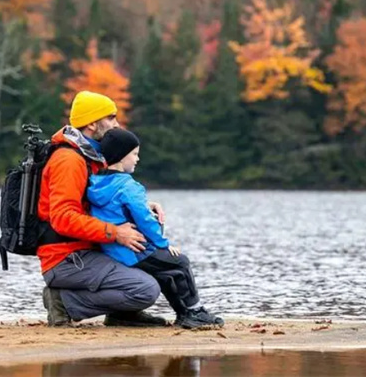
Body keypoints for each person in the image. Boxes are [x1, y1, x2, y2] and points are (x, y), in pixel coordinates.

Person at [38, 91, 167, 327]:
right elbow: (62, 218)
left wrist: (141, 206)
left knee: (152, 262)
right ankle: (62, 301)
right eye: (111, 118)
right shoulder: (69, 160)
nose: (116, 124)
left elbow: (101, 201)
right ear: (92, 124)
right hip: (66, 258)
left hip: (90, 250)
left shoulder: (91, 156)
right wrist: (116, 232)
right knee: (146, 289)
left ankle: (122, 313)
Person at [87, 128, 225, 329]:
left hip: (111, 250)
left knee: (166, 272)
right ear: (120, 157)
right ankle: (193, 311)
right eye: (134, 154)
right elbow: (144, 219)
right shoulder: (129, 186)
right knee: (179, 263)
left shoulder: (97, 183)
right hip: (133, 250)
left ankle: (182, 314)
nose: (138, 159)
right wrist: (163, 244)